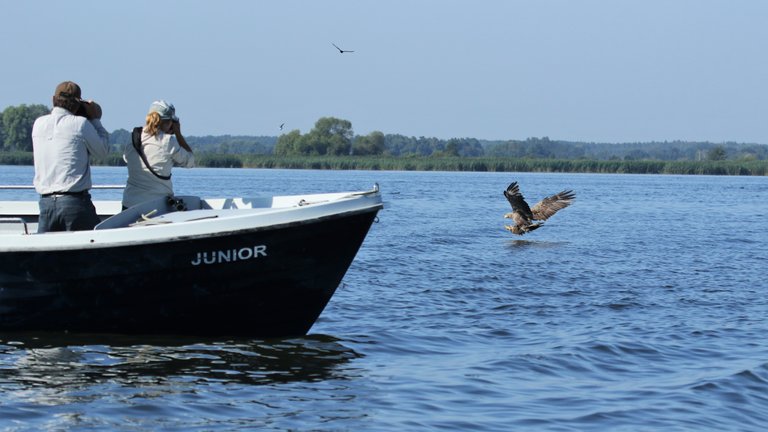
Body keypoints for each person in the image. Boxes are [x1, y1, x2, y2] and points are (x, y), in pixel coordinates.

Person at [32, 81, 110, 233]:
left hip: (46, 203)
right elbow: (103, 151)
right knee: (94, 251)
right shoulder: (80, 124)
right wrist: (95, 119)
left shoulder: (38, 123)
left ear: (53, 99)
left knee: (46, 255)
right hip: (74, 203)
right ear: (77, 104)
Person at [122, 100, 194, 209]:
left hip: (129, 203)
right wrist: (178, 134)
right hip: (156, 205)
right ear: (170, 122)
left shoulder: (133, 135)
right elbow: (190, 162)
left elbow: (126, 158)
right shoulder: (168, 141)